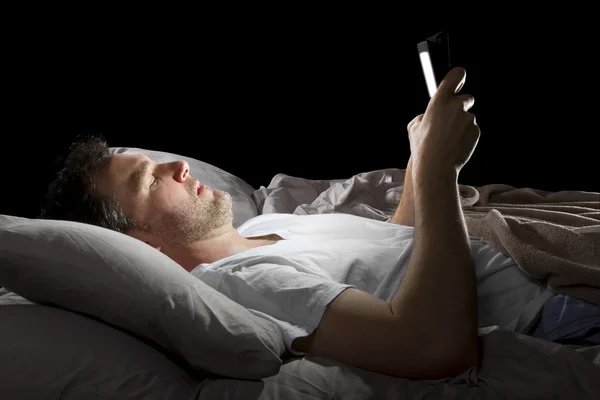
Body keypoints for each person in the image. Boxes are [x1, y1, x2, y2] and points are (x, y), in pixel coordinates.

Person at [39, 68, 550, 380]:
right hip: (555, 315)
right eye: (153, 181)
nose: (180, 166)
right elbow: (432, 347)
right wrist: (440, 173)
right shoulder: (241, 282)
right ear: (135, 241)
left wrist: (421, 157)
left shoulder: (275, 223)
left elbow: (398, 244)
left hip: (548, 278)